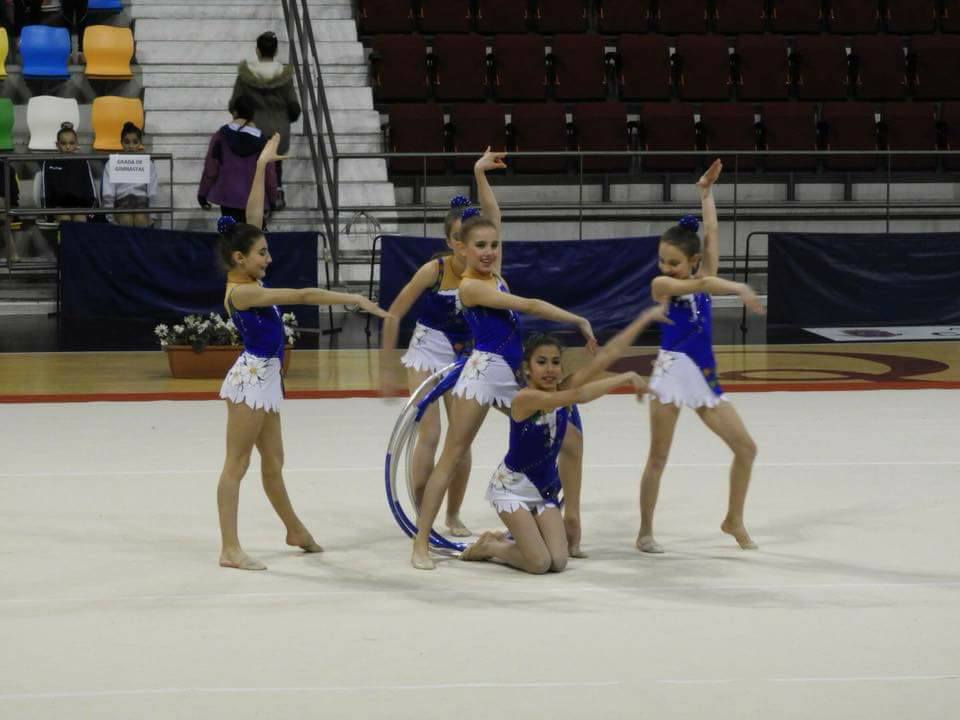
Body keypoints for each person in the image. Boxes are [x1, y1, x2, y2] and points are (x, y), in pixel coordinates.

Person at [216, 135, 391, 571]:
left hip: (267, 377)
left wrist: (260, 168)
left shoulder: (246, 271)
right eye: (262, 253)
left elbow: (253, 218)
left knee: (273, 463)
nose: (268, 257)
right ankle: (229, 548)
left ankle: (293, 528)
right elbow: (302, 293)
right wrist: (350, 298)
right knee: (235, 466)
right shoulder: (243, 293)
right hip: (251, 378)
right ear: (239, 259)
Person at [410, 211, 598, 570]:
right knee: (453, 454)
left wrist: (482, 174)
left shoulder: (494, 276)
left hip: (509, 376)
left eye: (495, 245)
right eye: (480, 246)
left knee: (570, 434)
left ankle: (569, 520)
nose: (490, 251)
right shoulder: (470, 286)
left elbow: (493, 217)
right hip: (482, 376)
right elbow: (528, 305)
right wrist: (576, 319)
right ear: (462, 249)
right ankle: (420, 542)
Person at [460, 304, 668, 574]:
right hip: (511, 489)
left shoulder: (562, 389)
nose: (550, 369)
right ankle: (490, 547)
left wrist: (643, 317)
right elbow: (577, 396)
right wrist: (626, 377)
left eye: (555, 362)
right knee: (538, 563)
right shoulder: (525, 399)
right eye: (541, 362)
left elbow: (609, 356)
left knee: (558, 562)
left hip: (544, 490)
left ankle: (514, 540)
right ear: (527, 369)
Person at [637, 159, 765, 554]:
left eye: (674, 262)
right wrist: (738, 288)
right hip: (671, 372)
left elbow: (711, 234)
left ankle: (733, 518)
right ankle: (645, 530)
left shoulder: (700, 276)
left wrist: (706, 193)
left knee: (746, 448)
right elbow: (706, 280)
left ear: (692, 260)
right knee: (658, 455)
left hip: (703, 376)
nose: (665, 268)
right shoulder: (663, 285)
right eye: (663, 260)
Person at [380, 148, 507, 537]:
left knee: (462, 439)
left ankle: (451, 514)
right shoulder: (433, 270)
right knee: (430, 433)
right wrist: (386, 368)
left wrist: (479, 174)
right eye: (456, 239)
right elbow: (393, 313)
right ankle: (424, 515)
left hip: (464, 353)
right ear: (451, 241)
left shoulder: (487, 267)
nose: (465, 246)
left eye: (470, 239)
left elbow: (494, 219)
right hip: (428, 348)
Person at [229, 30, 301, 209]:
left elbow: (234, 104)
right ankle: (276, 191)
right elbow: (294, 106)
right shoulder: (284, 75)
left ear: (257, 51)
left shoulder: (246, 75)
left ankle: (255, 197)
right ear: (275, 51)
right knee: (274, 162)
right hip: (279, 129)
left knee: (255, 164)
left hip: (253, 128)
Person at [198, 95, 277, 227]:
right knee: (254, 241)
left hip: (228, 199)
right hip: (255, 202)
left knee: (231, 240)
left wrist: (203, 193)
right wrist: (273, 199)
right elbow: (269, 175)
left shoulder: (221, 136)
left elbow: (211, 169)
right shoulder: (264, 142)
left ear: (234, 112)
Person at [36, 122, 98, 223]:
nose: (68, 147)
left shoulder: (83, 162)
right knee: (65, 218)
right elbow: (46, 192)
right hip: (58, 209)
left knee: (80, 218)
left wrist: (89, 214)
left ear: (76, 144)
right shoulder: (48, 163)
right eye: (64, 143)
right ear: (57, 145)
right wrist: (49, 215)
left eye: (71, 143)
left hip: (79, 208)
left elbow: (90, 191)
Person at [101, 122, 158, 228]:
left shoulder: (148, 164)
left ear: (140, 143)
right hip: (121, 204)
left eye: (135, 142)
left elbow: (152, 192)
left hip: (142, 204)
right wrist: (110, 216)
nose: (131, 146)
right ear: (121, 143)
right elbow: (108, 193)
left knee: (140, 219)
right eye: (127, 142)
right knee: (126, 219)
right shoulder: (111, 164)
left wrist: (152, 215)